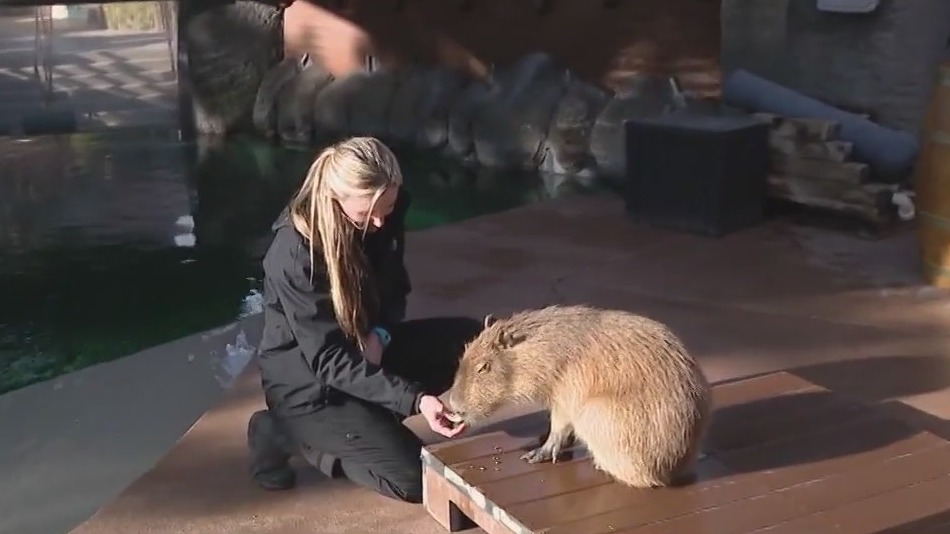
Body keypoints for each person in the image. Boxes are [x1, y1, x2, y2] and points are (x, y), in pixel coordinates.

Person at [247, 136, 481, 503]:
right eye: (367, 214)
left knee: (476, 344)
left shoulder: (384, 211)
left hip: (368, 346)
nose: (379, 221)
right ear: (336, 200)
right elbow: (328, 360)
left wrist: (382, 335)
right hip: (313, 387)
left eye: (386, 209)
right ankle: (285, 431)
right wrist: (416, 399)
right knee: (418, 482)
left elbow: (394, 290)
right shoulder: (294, 256)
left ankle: (370, 419)